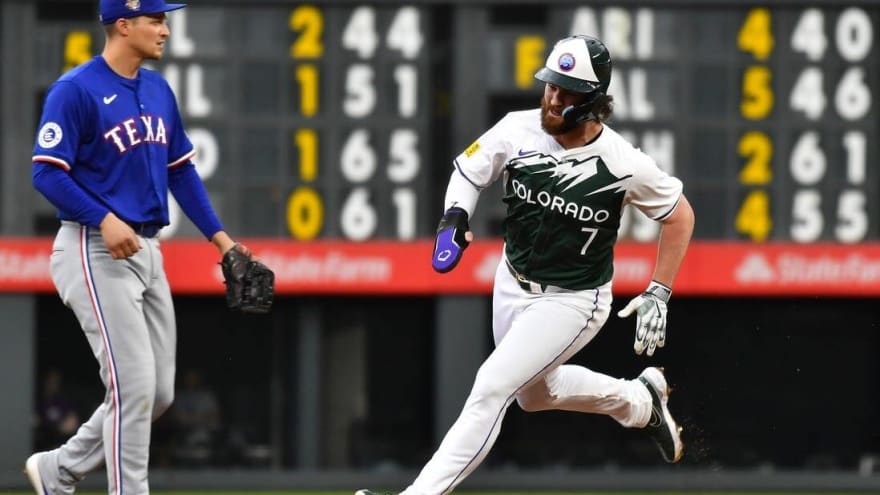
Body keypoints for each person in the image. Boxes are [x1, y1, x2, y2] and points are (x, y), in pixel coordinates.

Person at [358, 34, 695, 495]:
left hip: (574, 299)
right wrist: (454, 216)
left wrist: (660, 289)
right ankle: (640, 401)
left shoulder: (622, 163)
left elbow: (679, 214)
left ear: (594, 100)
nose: (553, 98)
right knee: (535, 395)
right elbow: (468, 172)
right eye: (550, 85)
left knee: (491, 388)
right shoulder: (519, 128)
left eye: (567, 91)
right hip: (512, 281)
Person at [25, 1, 251, 493]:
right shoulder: (76, 89)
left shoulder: (157, 88)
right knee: (131, 388)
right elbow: (45, 171)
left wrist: (223, 241)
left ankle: (58, 469)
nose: (166, 30)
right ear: (123, 25)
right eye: (156, 20)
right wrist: (103, 219)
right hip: (93, 247)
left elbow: (181, 171)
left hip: (148, 252)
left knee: (159, 393)